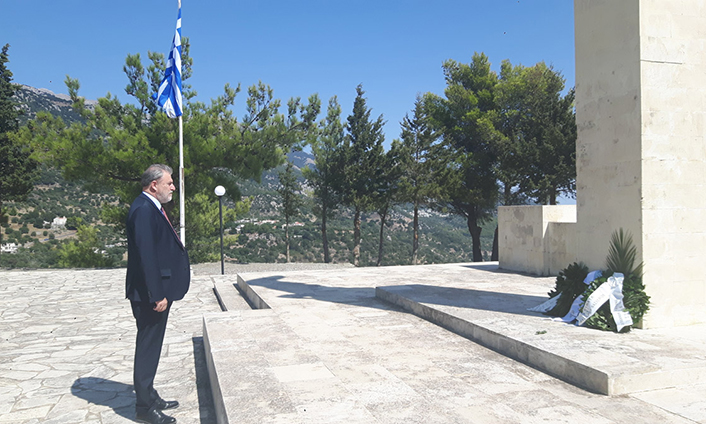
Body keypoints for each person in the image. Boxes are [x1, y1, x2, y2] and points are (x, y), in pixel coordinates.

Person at [126, 164, 190, 424]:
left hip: (155, 291)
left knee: (152, 346)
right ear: (154, 185)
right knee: (148, 349)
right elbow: (146, 256)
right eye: (169, 183)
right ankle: (144, 408)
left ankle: (150, 395)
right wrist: (156, 294)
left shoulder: (151, 207)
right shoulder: (143, 209)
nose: (173, 187)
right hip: (149, 295)